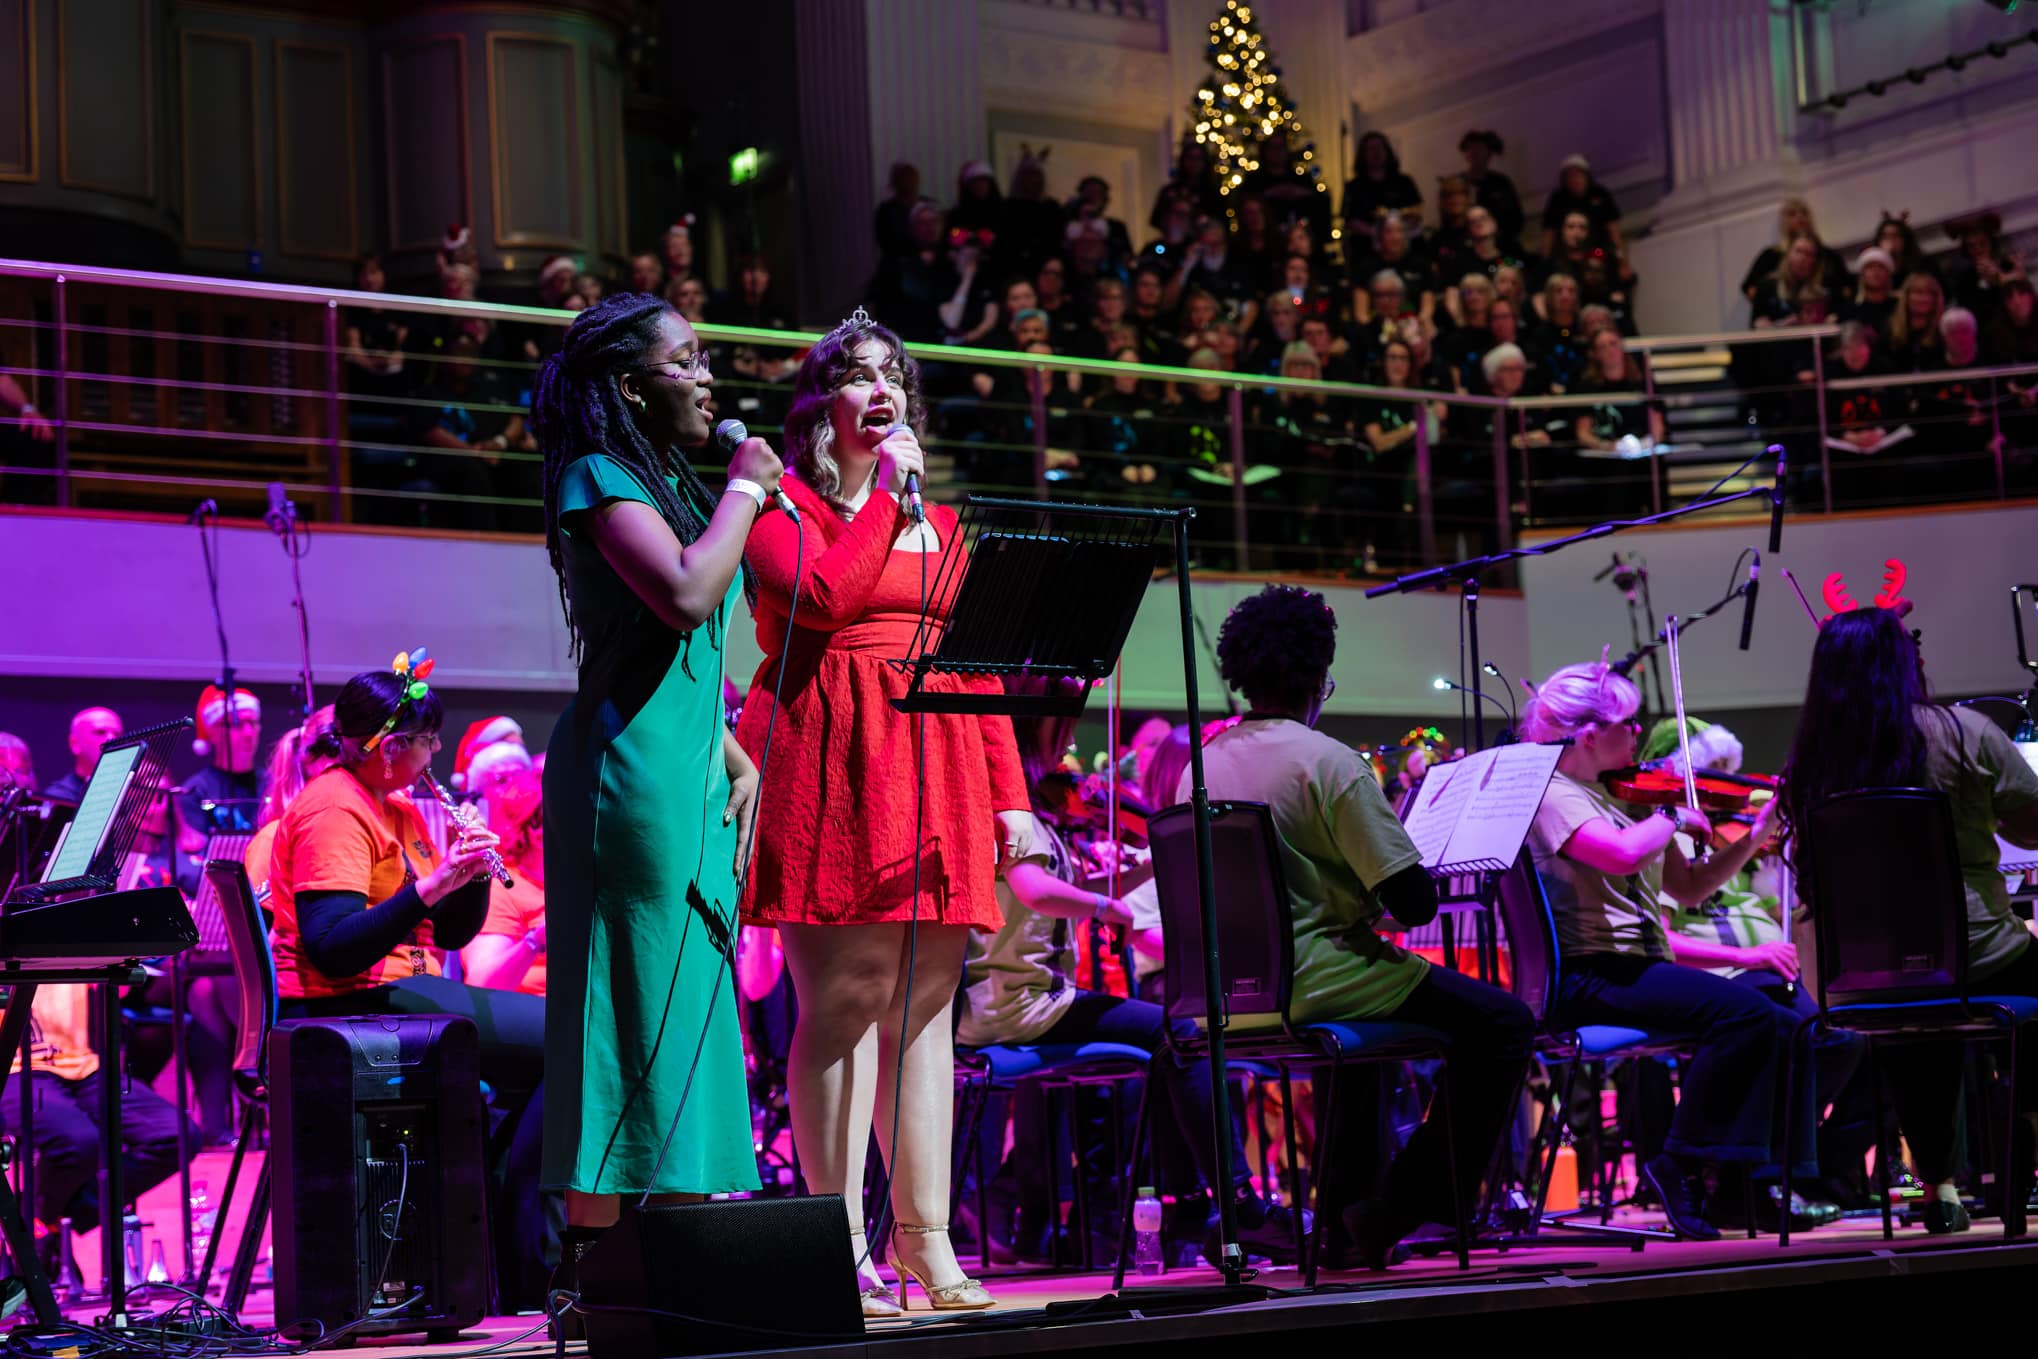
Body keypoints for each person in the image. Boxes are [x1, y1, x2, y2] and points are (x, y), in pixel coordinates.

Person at [735, 309, 1031, 1314]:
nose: (879, 388)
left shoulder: (939, 526)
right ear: (820, 404)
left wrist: (1011, 798)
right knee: (846, 1004)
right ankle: (840, 1246)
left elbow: (972, 659)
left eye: (892, 374)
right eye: (856, 374)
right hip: (833, 751)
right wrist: (882, 502)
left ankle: (928, 1243)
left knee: (925, 1018)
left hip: (935, 748)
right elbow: (820, 599)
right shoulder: (781, 505)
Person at [530, 293, 777, 1296]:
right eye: (686, 360)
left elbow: (661, 656)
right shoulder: (599, 477)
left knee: (690, 1024)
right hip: (625, 787)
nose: (709, 374)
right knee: (620, 1018)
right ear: (631, 383)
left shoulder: (670, 479)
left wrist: (729, 748)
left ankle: (683, 1276)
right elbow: (682, 596)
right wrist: (747, 493)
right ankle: (590, 1283)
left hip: (685, 772)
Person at [1192, 586, 1535, 1268]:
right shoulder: (1327, 760)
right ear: (1320, 678)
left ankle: (1343, 1227)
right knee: (1504, 1023)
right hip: (1323, 980)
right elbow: (1411, 903)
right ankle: (1400, 1205)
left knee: (1374, 1029)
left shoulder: (1198, 766)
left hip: (1230, 997)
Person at [958, 688, 1294, 1266]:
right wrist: (1103, 911)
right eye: (1061, 730)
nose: (1068, 743)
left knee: (1174, 1040)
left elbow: (1083, 892)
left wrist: (1154, 863)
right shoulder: (1008, 813)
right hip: (1019, 1006)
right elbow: (1037, 891)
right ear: (1035, 730)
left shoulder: (1025, 814)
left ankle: (1197, 1203)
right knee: (1182, 1033)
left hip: (1029, 1001)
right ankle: (1228, 1201)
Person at [1777, 605, 2038, 1234]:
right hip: (1975, 952)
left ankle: (1939, 1188)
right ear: (1905, 665)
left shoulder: (1811, 766)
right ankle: (2023, 1147)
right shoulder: (1966, 734)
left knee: (1917, 1012)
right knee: (2003, 984)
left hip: (1863, 975)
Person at [1523, 659, 1798, 1240]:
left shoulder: (1625, 800)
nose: (1639, 738)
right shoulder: (1551, 794)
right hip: (1590, 976)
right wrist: (1672, 816)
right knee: (1747, 1015)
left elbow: (1690, 888)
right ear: (1589, 735)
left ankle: (1731, 1177)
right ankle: (1681, 1163)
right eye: (1628, 725)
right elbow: (1619, 856)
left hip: (1635, 970)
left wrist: (1751, 838)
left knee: (1774, 1020)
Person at [2, 984, 200, 1277]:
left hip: (83, 1065)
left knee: (177, 1135)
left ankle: (47, 1214)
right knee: (80, 1143)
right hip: (11, 1069)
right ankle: (43, 1218)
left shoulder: (70, 939)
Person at [461, 753, 547, 997]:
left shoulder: (582, 884)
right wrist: (536, 940)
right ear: (531, 829)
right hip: (530, 1019)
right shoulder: (504, 887)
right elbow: (481, 984)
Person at [178, 685, 267, 852]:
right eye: (237, 724)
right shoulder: (195, 791)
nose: (249, 733)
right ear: (213, 732)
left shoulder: (274, 784)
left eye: (253, 723)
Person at [41, 706, 123, 805]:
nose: (111, 738)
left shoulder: (130, 789)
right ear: (74, 744)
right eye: (100, 732)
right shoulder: (58, 797)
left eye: (117, 734)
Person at [1458, 130, 1523, 245]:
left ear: (1489, 153)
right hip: (1469, 249)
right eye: (1470, 149)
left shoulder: (1501, 183)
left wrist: (1501, 236)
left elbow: (1516, 218)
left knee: (1515, 263)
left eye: (1479, 149)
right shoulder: (1458, 184)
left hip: (1502, 246)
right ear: (1465, 154)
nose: (1474, 153)